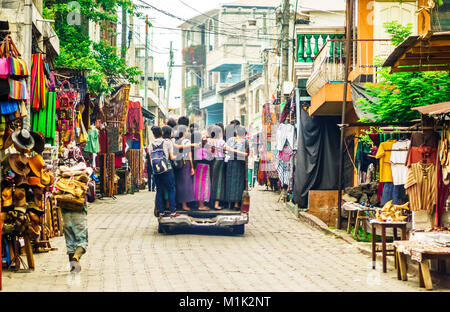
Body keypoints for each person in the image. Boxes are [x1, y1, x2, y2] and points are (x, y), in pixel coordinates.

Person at [149, 126, 178, 217]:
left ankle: (161, 212)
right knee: (171, 189)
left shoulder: (150, 145)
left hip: (156, 171)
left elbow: (151, 159)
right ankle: (172, 211)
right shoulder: (167, 142)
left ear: (153, 135)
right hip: (166, 170)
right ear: (162, 133)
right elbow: (172, 157)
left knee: (159, 191)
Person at [225, 125, 248, 209]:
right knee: (238, 183)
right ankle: (236, 204)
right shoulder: (244, 141)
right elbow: (244, 152)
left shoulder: (230, 139)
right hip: (239, 163)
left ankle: (229, 203)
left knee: (230, 182)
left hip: (230, 162)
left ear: (236, 132)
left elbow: (226, 148)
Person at [173, 125, 195, 211]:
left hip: (179, 163)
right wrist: (192, 167)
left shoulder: (177, 141)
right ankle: (184, 205)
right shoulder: (186, 141)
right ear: (184, 132)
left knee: (180, 183)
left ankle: (180, 203)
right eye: (187, 131)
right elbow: (189, 155)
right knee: (186, 184)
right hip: (186, 164)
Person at [192, 130, 211, 210]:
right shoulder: (207, 148)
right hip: (205, 166)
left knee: (197, 184)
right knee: (203, 185)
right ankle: (201, 205)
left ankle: (198, 203)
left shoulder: (196, 147)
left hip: (198, 166)